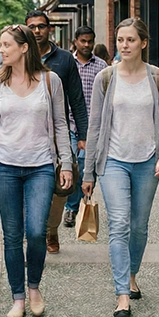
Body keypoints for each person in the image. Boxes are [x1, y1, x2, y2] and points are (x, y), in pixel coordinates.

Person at [0, 25, 74, 317]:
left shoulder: (50, 81)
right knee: (13, 235)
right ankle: (18, 297)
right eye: (1, 45)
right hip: (4, 167)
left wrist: (65, 163)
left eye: (6, 45)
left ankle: (34, 288)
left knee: (36, 231)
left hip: (40, 166)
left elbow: (60, 124)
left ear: (24, 47)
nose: (1, 50)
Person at [82, 17, 159, 317]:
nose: (125, 45)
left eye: (131, 40)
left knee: (139, 225)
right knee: (119, 224)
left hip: (148, 160)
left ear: (144, 43)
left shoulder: (158, 78)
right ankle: (122, 293)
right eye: (121, 40)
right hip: (113, 161)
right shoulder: (106, 78)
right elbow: (94, 126)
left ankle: (132, 273)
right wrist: (88, 172)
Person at [23, 11, 88, 254]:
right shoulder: (20, 56)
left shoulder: (64, 60)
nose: (37, 31)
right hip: (28, 133)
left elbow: (77, 99)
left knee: (62, 187)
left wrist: (83, 135)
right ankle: (34, 232)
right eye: (32, 27)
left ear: (49, 29)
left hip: (59, 133)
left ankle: (51, 228)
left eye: (41, 26)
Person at [61, 25, 109, 228]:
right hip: (70, 124)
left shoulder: (101, 66)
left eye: (90, 41)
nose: (87, 45)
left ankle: (76, 205)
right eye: (83, 41)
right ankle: (72, 207)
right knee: (73, 166)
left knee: (87, 165)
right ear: (75, 41)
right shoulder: (68, 63)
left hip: (93, 126)